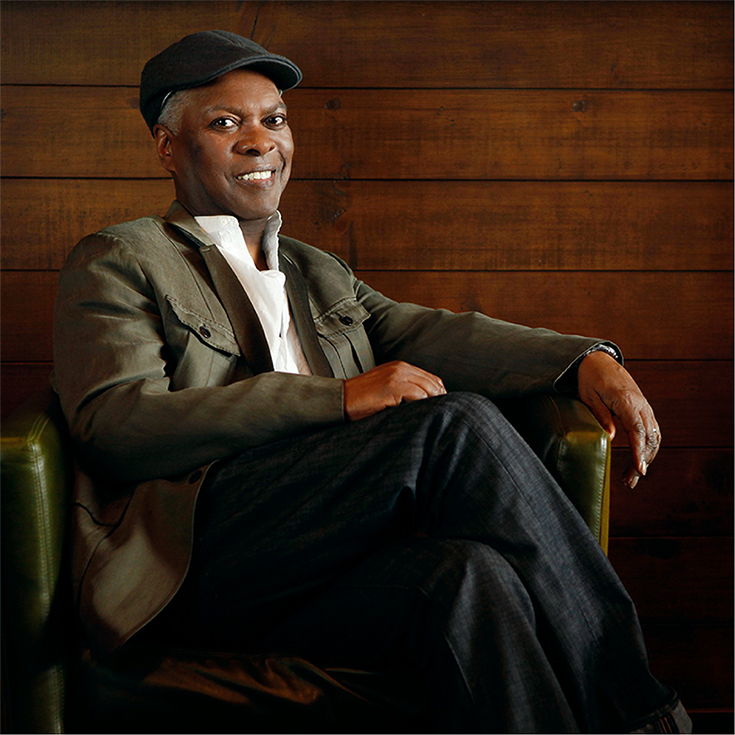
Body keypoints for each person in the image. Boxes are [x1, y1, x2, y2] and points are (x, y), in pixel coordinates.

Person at [52, 30, 691, 733]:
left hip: (325, 560)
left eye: (274, 119)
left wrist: (584, 360)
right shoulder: (121, 259)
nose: (260, 142)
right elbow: (115, 425)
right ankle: (640, 714)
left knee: (468, 575)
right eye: (226, 123)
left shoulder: (315, 269)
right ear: (168, 146)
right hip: (200, 559)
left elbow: (434, 332)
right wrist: (338, 399)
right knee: (454, 426)